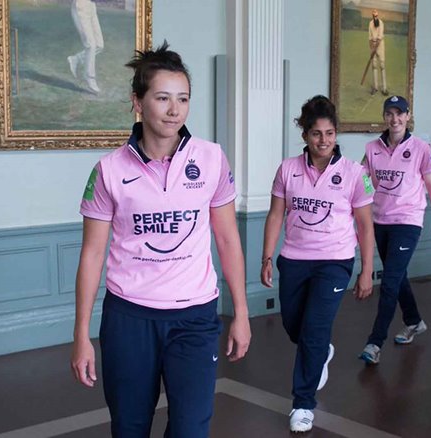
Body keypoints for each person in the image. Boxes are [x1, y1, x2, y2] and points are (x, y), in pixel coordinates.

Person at [71, 42, 251, 437]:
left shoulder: (212, 158)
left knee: (190, 428)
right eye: (163, 98)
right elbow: (92, 253)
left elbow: (227, 239)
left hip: (195, 317)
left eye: (183, 99)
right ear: (138, 102)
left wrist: (241, 311)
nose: (175, 110)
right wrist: (81, 334)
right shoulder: (108, 171)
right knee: (130, 427)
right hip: (129, 318)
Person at [261, 95, 375, 433]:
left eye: (329, 133)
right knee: (294, 325)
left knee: (311, 330)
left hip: (336, 261)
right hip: (294, 260)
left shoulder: (355, 173)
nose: (323, 141)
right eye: (316, 134)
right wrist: (267, 257)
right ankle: (321, 349)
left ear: (336, 134)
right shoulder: (288, 169)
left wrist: (366, 270)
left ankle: (302, 403)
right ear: (305, 136)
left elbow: (366, 225)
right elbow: (276, 214)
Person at [360, 95, 431, 364]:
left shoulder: (421, 148)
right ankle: (414, 321)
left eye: (400, 113)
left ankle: (375, 343)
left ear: (408, 116)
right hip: (380, 221)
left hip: (408, 221)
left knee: (389, 281)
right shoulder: (372, 148)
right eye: (390, 113)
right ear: (384, 116)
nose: (394, 119)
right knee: (398, 278)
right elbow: (361, 182)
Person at [67, 0, 104, 94]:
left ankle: (75, 59)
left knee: (99, 45)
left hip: (92, 6)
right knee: (90, 45)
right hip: (81, 6)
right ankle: (89, 77)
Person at [368, 9, 388, 96]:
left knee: (382, 65)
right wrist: (372, 46)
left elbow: (380, 36)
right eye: (373, 16)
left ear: (378, 16)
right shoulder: (370, 23)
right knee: (374, 65)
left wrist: (377, 44)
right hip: (372, 45)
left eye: (376, 16)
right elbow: (370, 36)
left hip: (380, 45)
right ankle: (375, 87)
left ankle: (384, 88)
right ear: (372, 16)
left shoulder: (381, 23)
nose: (375, 17)